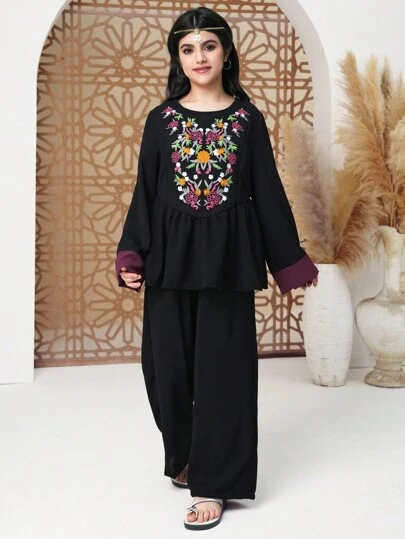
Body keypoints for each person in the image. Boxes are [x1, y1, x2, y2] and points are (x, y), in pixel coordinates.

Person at [115, 6, 318, 531]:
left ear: (226, 53)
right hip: (169, 258)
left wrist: (289, 262)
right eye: (188, 48)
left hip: (228, 259)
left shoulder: (247, 121)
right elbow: (145, 192)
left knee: (223, 373)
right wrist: (133, 253)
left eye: (208, 46)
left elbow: (268, 193)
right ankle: (186, 455)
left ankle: (214, 481)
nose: (199, 57)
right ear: (177, 59)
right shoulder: (160, 120)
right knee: (165, 370)